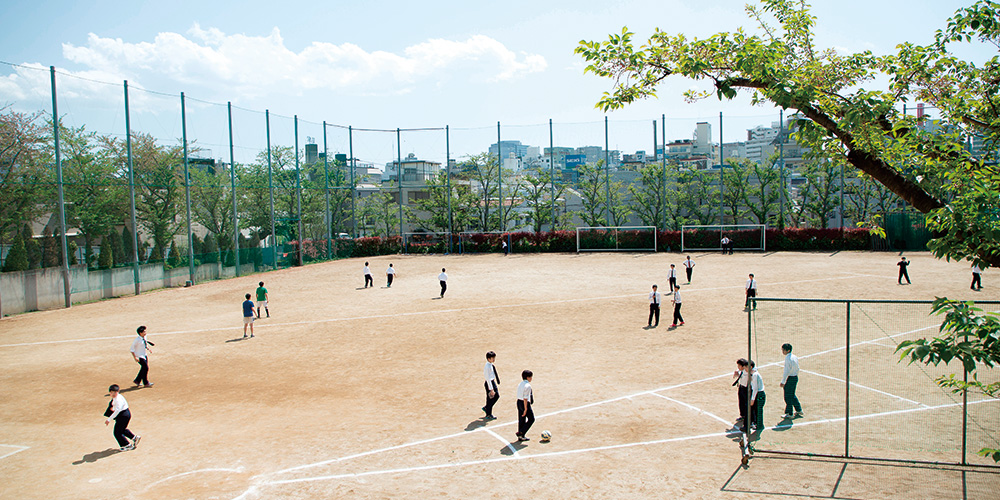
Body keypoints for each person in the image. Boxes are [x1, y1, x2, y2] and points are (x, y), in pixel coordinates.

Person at [105, 384, 140, 452]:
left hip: (123, 416)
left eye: (115, 392)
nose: (113, 394)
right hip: (125, 414)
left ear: (118, 391)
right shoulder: (117, 397)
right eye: (111, 392)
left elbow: (117, 410)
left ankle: (127, 445)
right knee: (122, 429)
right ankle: (134, 438)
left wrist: (109, 419)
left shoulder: (118, 400)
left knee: (117, 432)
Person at [780, 343, 803, 418]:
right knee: (792, 395)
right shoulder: (794, 357)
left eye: (783, 350)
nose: (782, 351)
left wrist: (783, 381)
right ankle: (798, 409)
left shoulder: (788, 358)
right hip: (795, 377)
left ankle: (789, 413)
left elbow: (786, 371)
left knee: (787, 396)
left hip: (790, 378)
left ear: (788, 350)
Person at [516, 370, 534, 441]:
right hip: (524, 403)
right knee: (531, 419)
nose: (531, 378)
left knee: (521, 419)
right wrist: (526, 408)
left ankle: (521, 436)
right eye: (530, 377)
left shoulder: (520, 384)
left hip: (519, 402)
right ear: (527, 377)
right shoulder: (528, 386)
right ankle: (521, 432)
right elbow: (525, 398)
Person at [749, 360, 766, 431]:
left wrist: (752, 399)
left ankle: (759, 426)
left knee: (758, 411)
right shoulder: (753, 373)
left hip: (759, 394)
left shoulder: (755, 375)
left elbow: (755, 388)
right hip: (758, 394)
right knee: (756, 410)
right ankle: (756, 424)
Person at [482, 351, 500, 420]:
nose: (494, 359)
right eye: (492, 358)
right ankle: (488, 412)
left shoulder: (490, 365)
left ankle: (487, 408)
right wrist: (491, 389)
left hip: (492, 382)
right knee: (492, 398)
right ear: (488, 359)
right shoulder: (487, 367)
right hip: (489, 383)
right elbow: (488, 378)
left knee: (494, 397)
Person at [733, 358, 750, 431]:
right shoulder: (742, 371)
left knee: (746, 404)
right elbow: (739, 371)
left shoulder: (747, 372)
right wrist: (737, 371)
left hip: (746, 388)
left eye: (739, 366)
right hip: (741, 387)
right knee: (741, 402)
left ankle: (748, 418)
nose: (738, 367)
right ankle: (742, 415)